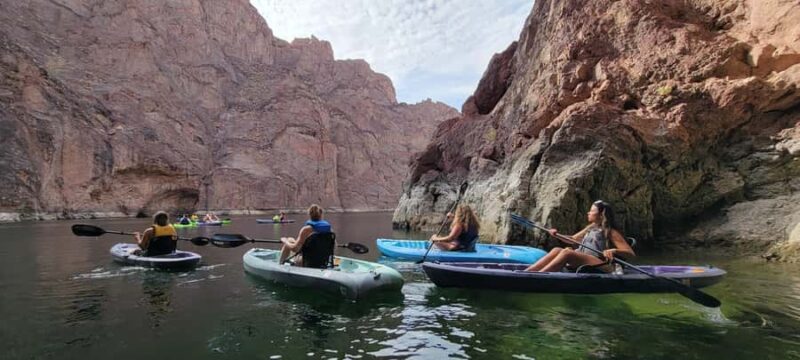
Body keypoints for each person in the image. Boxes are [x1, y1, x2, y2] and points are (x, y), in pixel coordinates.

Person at [525, 200, 635, 272]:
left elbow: (630, 253)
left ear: (601, 215)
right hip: (586, 259)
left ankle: (541, 276)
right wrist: (556, 235)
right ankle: (528, 272)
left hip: (604, 265)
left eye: (592, 211)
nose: (588, 213)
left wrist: (614, 251)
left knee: (567, 252)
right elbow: (573, 240)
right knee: (557, 249)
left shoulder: (611, 232)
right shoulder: (592, 227)